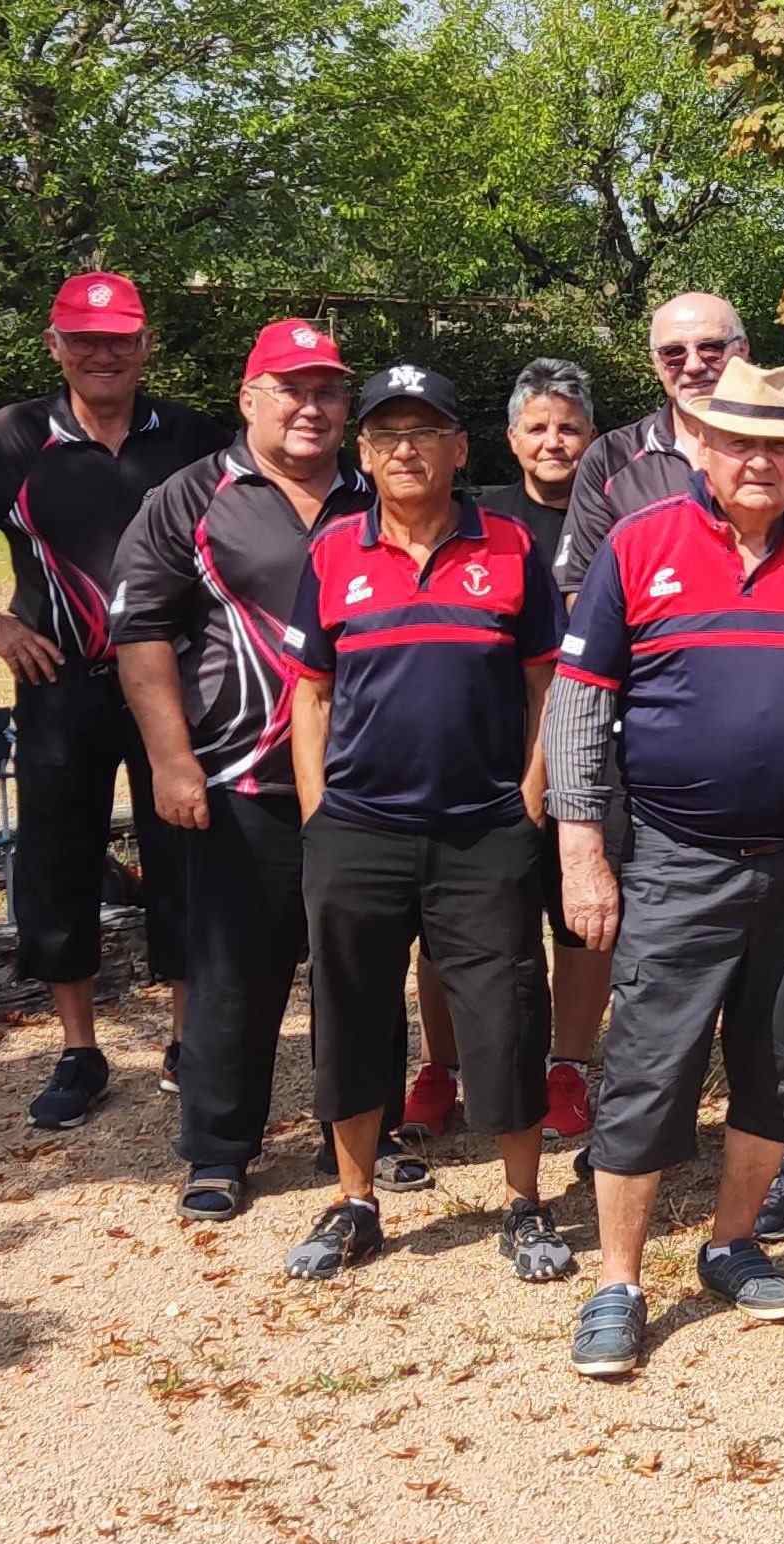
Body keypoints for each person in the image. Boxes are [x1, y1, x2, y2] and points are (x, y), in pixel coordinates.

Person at [548, 359, 784, 1378]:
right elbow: (580, 702)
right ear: (700, 445)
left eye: (780, 444)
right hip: (674, 859)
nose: (759, 459)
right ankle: (618, 1280)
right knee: (649, 1070)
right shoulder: (639, 544)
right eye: (738, 440)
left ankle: (732, 1240)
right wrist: (582, 846)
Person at [0, 272, 217, 1127]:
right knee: (58, 861)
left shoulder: (197, 440)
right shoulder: (13, 438)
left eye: (120, 338)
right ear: (55, 346)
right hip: (63, 687)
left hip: (176, 687)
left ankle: (187, 1039)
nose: (103, 354)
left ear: (145, 345)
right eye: (84, 339)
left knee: (188, 856)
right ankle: (79, 1049)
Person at [113, 318, 418, 1221]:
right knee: (231, 972)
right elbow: (139, 636)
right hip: (240, 776)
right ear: (249, 398)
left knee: (358, 967)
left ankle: (361, 1131)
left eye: (328, 390)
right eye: (291, 388)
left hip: (369, 781)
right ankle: (218, 1149)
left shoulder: (383, 493)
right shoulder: (190, 495)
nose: (311, 406)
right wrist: (171, 762)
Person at [277, 364, 572, 1283]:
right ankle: (354, 1201)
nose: (406, 448)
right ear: (363, 453)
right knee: (353, 1011)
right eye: (387, 434)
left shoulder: (514, 548)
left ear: (459, 448)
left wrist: (529, 799)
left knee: (508, 1013)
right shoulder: (331, 554)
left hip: (483, 830)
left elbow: (547, 686)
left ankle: (523, 1203)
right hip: (357, 829)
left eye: (425, 431)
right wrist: (321, 813)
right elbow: (311, 697)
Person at [406, 359, 606, 1145]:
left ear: (592, 438)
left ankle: (568, 1068)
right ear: (510, 439)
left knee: (579, 916)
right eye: (539, 428)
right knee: (449, 926)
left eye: (570, 428)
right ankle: (441, 1065)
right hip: (480, 755)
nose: (555, 442)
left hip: (585, 746)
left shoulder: (611, 516)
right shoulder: (478, 517)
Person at [561, 292, 753, 571]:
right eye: (673, 354)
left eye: (711, 348)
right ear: (656, 363)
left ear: (743, 350)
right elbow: (580, 585)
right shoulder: (610, 458)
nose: (694, 365)